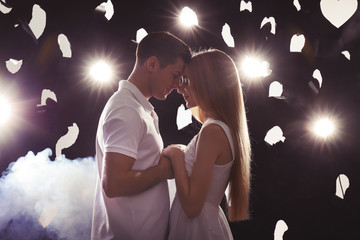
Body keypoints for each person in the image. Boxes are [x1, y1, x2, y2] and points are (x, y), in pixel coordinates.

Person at [91, 32, 192, 240]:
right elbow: (114, 184)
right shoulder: (126, 110)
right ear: (153, 64)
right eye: (175, 75)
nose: (177, 85)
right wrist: (162, 170)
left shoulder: (137, 108)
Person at [163, 49, 252, 240]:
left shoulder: (212, 131)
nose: (180, 88)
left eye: (186, 81)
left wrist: (176, 156)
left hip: (196, 228)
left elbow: (193, 206)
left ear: (207, 81)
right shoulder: (219, 128)